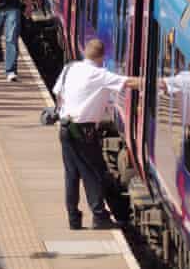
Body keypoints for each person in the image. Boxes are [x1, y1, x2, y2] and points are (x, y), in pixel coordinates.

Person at [53, 39, 141, 230]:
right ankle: (100, 217)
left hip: (65, 127)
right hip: (83, 132)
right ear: (102, 57)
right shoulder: (100, 74)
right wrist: (157, 83)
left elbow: (57, 92)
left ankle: (74, 219)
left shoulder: (70, 68)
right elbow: (130, 83)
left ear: (85, 52)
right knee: (93, 173)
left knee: (72, 175)